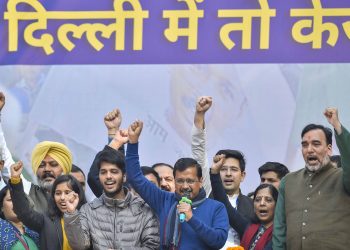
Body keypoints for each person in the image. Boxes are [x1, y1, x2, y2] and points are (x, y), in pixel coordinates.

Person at [125, 120, 229, 249]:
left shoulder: (216, 207)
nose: (185, 186)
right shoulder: (164, 199)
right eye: (180, 181)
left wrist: (191, 218)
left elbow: (218, 241)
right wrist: (133, 142)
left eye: (190, 181)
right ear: (174, 180)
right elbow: (135, 177)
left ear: (200, 181)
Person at [273, 107, 350, 250]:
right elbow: (279, 230)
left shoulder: (342, 177)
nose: (309, 149)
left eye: (316, 144)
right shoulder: (288, 182)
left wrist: (338, 127)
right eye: (304, 145)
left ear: (329, 149)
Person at [64, 147, 160, 250]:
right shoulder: (88, 210)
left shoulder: (144, 210)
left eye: (114, 171)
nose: (108, 176)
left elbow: (152, 247)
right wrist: (71, 213)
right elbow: (80, 247)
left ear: (124, 176)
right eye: (103, 172)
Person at [191, 96, 254, 248]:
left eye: (233, 170)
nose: (228, 174)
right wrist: (200, 116)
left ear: (243, 175)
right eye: (223, 169)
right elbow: (198, 152)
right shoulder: (207, 191)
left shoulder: (253, 204)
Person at [9, 161, 86, 250]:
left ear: (77, 195)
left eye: (67, 192)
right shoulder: (46, 221)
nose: (62, 198)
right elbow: (23, 212)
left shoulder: (88, 217)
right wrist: (15, 180)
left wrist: (72, 214)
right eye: (58, 193)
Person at [211, 154, 278, 250]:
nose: (262, 203)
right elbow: (225, 206)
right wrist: (214, 173)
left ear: (277, 204)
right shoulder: (248, 227)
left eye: (268, 200)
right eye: (258, 200)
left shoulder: (281, 232)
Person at [0, 161, 40, 249]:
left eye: (20, 200)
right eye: (11, 200)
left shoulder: (36, 232)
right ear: (2, 207)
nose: (16, 203)